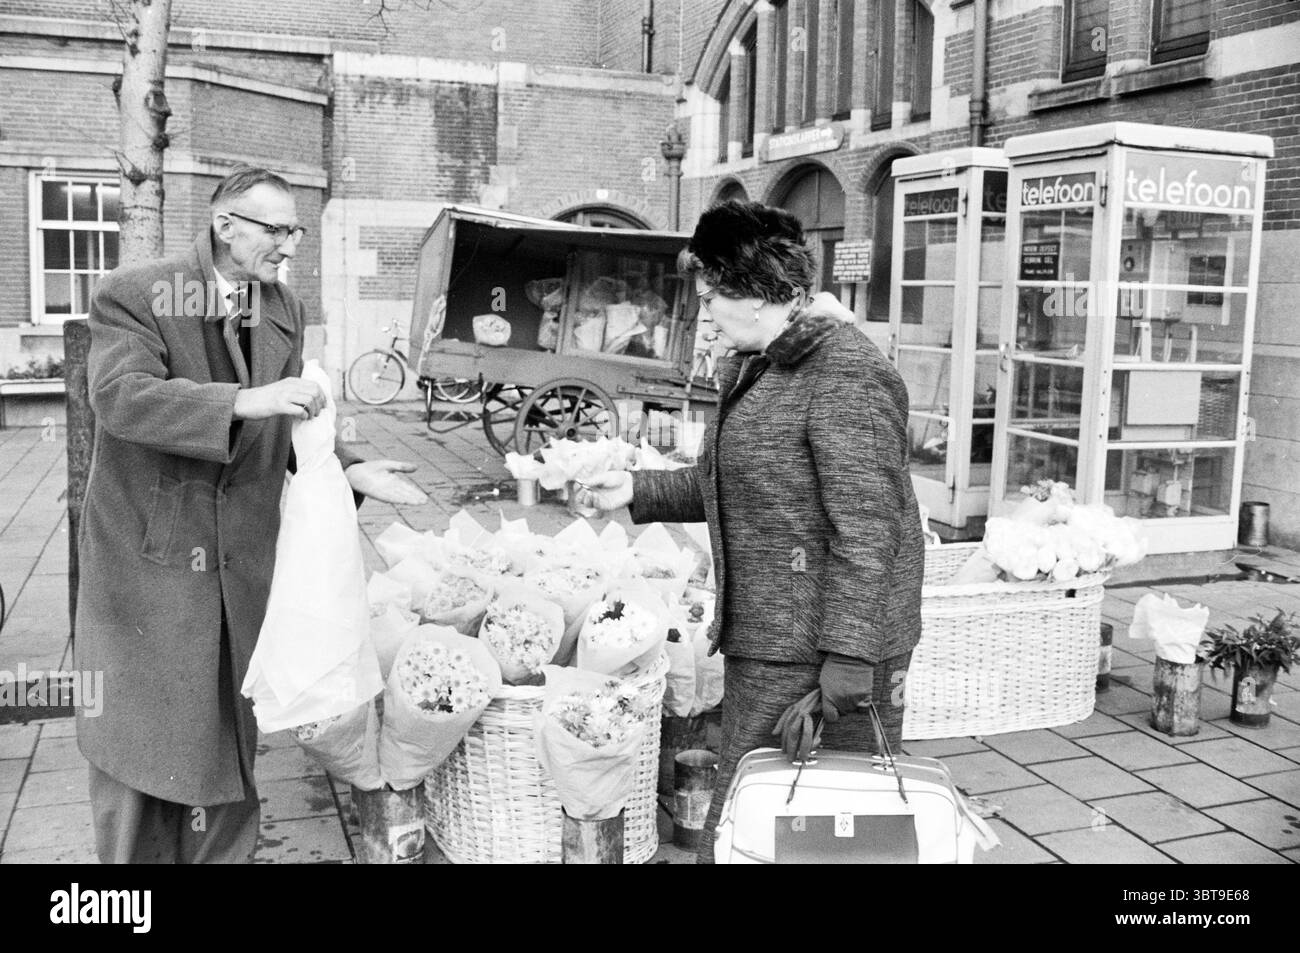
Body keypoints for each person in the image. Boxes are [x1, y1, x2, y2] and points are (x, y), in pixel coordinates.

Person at [75, 166, 428, 863]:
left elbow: (297, 418)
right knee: (142, 762)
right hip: (151, 570)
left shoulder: (282, 308)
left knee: (227, 752)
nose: (289, 244)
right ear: (225, 225)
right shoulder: (139, 294)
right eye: (276, 229)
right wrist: (242, 400)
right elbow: (120, 396)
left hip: (238, 566)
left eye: (294, 229)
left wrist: (349, 466)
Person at [577, 200, 925, 863]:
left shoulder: (845, 371)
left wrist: (850, 658)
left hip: (817, 648)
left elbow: (869, 527)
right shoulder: (762, 361)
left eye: (713, 296)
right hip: (773, 633)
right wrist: (637, 488)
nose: (704, 312)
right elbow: (738, 482)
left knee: (784, 822)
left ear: (765, 293)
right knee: (770, 819)